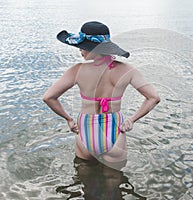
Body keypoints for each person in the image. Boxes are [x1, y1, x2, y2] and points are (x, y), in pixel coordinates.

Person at [43, 21, 160, 166]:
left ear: (93, 49)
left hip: (86, 130)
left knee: (85, 180)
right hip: (114, 131)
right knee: (114, 182)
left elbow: (49, 97)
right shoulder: (127, 70)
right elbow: (153, 98)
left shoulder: (77, 70)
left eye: (83, 47)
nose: (80, 50)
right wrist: (131, 120)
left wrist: (68, 119)